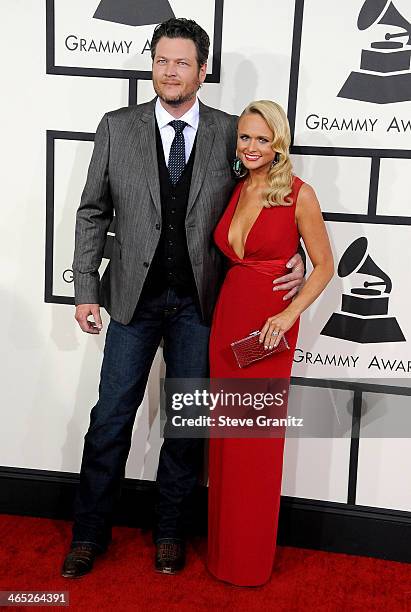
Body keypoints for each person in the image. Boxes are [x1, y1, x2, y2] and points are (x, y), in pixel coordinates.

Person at [61, 19, 305, 579]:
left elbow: (269, 195)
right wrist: (85, 290)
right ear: (153, 64)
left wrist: (293, 256)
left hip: (201, 306)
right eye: (162, 60)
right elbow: (92, 211)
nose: (170, 71)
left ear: (202, 70)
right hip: (130, 303)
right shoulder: (116, 127)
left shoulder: (229, 132)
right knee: (110, 420)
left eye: (182, 63)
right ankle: (89, 534)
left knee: (187, 423)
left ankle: (170, 531)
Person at [207, 100, 334, 586]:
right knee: (227, 442)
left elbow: (324, 265)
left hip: (269, 329)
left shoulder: (299, 194)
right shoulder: (238, 188)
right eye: (245, 138)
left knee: (254, 445)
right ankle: (223, 554)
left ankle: (249, 561)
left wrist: (286, 314)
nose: (252, 147)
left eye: (262, 138)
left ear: (279, 142)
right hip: (228, 322)